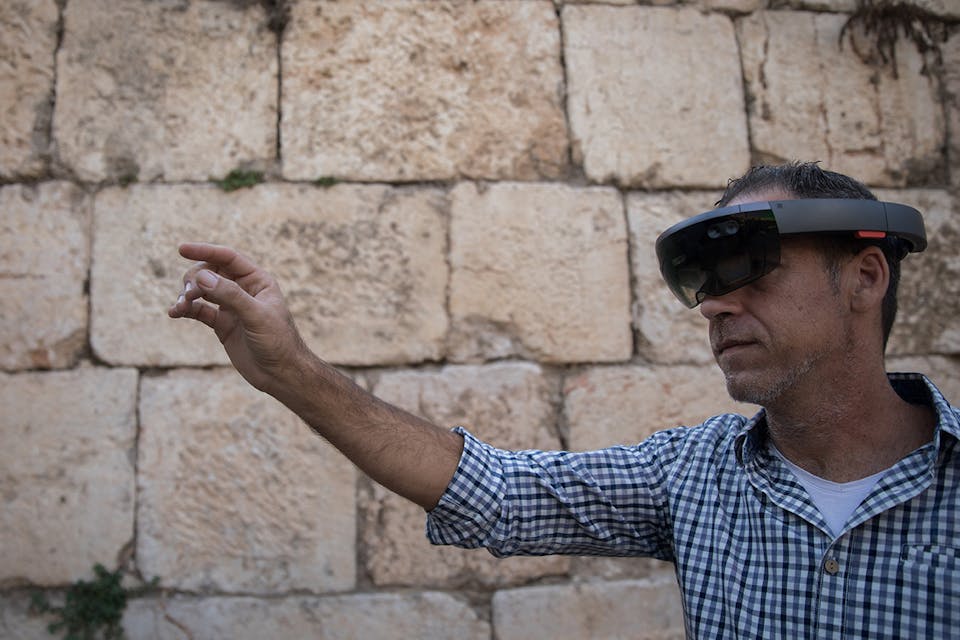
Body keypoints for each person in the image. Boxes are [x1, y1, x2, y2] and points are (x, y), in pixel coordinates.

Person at [168, 162, 958, 638]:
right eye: (703, 283)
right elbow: (499, 492)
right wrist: (291, 372)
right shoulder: (690, 478)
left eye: (754, 265)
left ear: (864, 277)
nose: (716, 306)